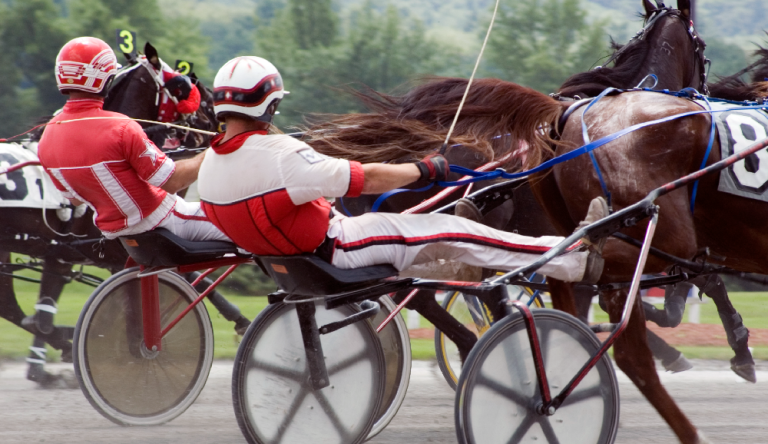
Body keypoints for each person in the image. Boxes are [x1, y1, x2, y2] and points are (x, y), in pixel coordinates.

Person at [197, 56, 607, 283]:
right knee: (456, 230)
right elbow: (366, 179)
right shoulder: (282, 154)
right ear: (271, 105)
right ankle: (569, 258)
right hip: (337, 250)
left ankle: (456, 264)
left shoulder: (210, 166)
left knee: (431, 235)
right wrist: (427, 169)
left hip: (294, 256)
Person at [37, 36, 228, 243]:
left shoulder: (46, 136)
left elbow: (74, 198)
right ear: (107, 80)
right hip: (162, 219)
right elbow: (172, 181)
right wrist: (216, 149)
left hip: (115, 231)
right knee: (246, 225)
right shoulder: (121, 127)